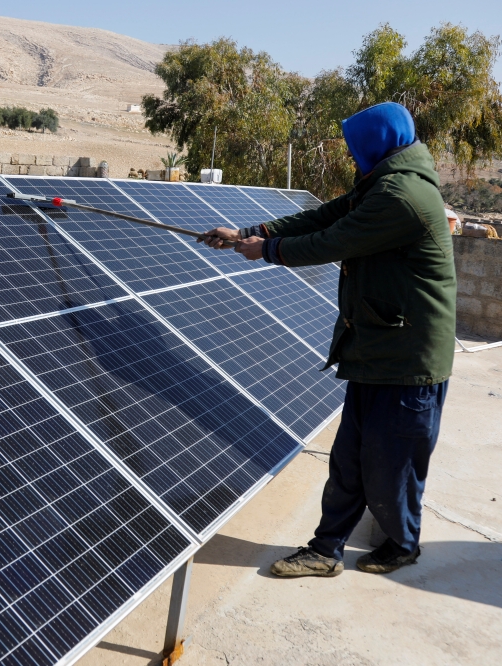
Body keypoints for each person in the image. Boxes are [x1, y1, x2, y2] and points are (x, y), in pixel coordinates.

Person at [201, 102, 456, 576]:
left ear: (374, 143)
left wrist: (268, 251)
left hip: (407, 360)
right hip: (376, 348)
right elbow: (320, 218)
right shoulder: (381, 184)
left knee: (391, 464)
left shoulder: (401, 197)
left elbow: (333, 241)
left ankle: (402, 544)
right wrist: (249, 232)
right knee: (349, 460)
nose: (350, 152)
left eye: (354, 144)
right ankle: (326, 550)